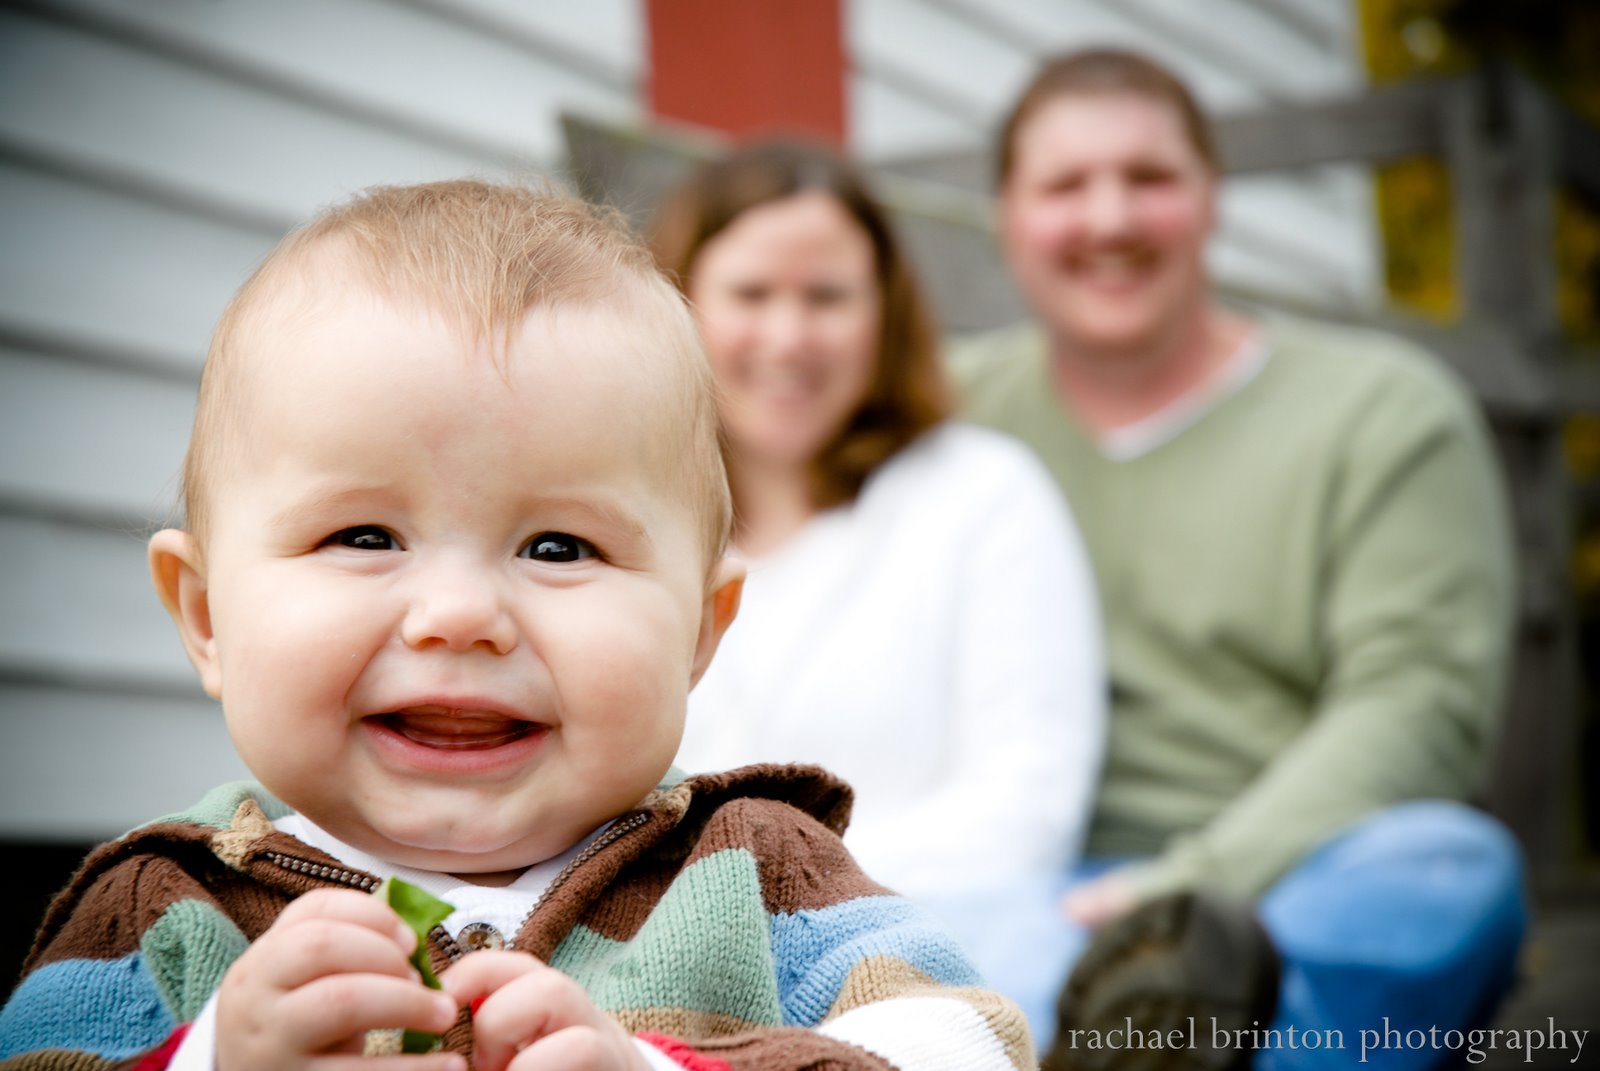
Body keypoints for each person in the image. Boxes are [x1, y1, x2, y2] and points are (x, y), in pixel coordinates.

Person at [0, 181, 1036, 1071]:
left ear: (698, 633)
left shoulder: (760, 878)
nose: (460, 616)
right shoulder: (161, 915)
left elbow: (973, 1044)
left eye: (556, 548)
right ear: (206, 615)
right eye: (364, 534)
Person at [948, 48, 1528, 1070]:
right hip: (1022, 881)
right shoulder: (939, 418)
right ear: (1005, 218)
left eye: (1150, 178)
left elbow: (1418, 703)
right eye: (1065, 186)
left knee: (1452, 872)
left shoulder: (1382, 412)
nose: (1110, 218)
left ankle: (1141, 1034)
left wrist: (1183, 894)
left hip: (1296, 874)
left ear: (1211, 198)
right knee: (942, 927)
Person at [650, 141, 1105, 905]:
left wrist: (762, 896)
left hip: (929, 945)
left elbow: (1029, 803)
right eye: (752, 293)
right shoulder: (632, 521)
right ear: (679, 302)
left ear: (883, 315)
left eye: (827, 296)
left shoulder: (983, 495)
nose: (789, 336)